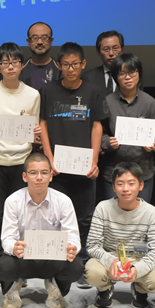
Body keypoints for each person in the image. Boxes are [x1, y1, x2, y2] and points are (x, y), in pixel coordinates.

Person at [39, 42, 109, 287]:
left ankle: (81, 263)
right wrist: (48, 157)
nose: (71, 69)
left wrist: (94, 159)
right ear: (58, 65)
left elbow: (97, 126)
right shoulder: (48, 90)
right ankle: (56, 262)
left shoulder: (93, 91)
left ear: (83, 64)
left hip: (83, 167)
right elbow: (43, 124)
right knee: (54, 217)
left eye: (75, 64)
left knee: (84, 218)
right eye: (66, 65)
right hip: (57, 168)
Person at [0, 42, 41, 286]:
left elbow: (34, 129)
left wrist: (35, 134)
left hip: (22, 163)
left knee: (22, 216)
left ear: (22, 65)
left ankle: (18, 266)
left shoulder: (32, 95)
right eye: (5, 63)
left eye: (15, 62)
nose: (10, 66)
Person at [0, 153, 83, 308]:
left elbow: (73, 237)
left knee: (76, 266)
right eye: (33, 173)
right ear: (24, 176)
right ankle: (12, 288)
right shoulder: (13, 201)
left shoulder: (63, 201)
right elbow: (7, 238)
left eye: (44, 173)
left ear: (51, 176)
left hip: (53, 257)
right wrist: (13, 247)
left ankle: (56, 288)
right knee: (4, 266)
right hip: (23, 257)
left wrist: (72, 248)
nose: (39, 177)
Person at [85, 162, 155, 308]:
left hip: (139, 259)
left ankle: (140, 290)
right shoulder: (103, 208)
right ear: (113, 187)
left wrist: (137, 269)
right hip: (111, 257)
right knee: (92, 273)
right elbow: (92, 245)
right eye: (120, 184)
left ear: (141, 185)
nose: (125, 188)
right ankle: (104, 289)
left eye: (131, 183)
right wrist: (110, 261)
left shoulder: (151, 212)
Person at [100, 53, 155, 202]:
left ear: (139, 74)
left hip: (142, 172)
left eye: (132, 72)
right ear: (115, 77)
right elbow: (99, 133)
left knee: (141, 213)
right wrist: (108, 142)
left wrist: (153, 143)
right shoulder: (106, 102)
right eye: (122, 73)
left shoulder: (150, 102)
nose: (128, 77)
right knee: (114, 213)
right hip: (113, 172)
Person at [81, 30, 126, 97]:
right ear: (98, 52)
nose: (111, 53)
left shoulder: (132, 76)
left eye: (115, 48)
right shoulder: (88, 78)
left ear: (122, 50)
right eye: (106, 49)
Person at [20, 22, 61, 90]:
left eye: (44, 38)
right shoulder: (19, 69)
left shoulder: (60, 69)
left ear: (51, 41)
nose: (40, 42)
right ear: (28, 42)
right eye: (35, 38)